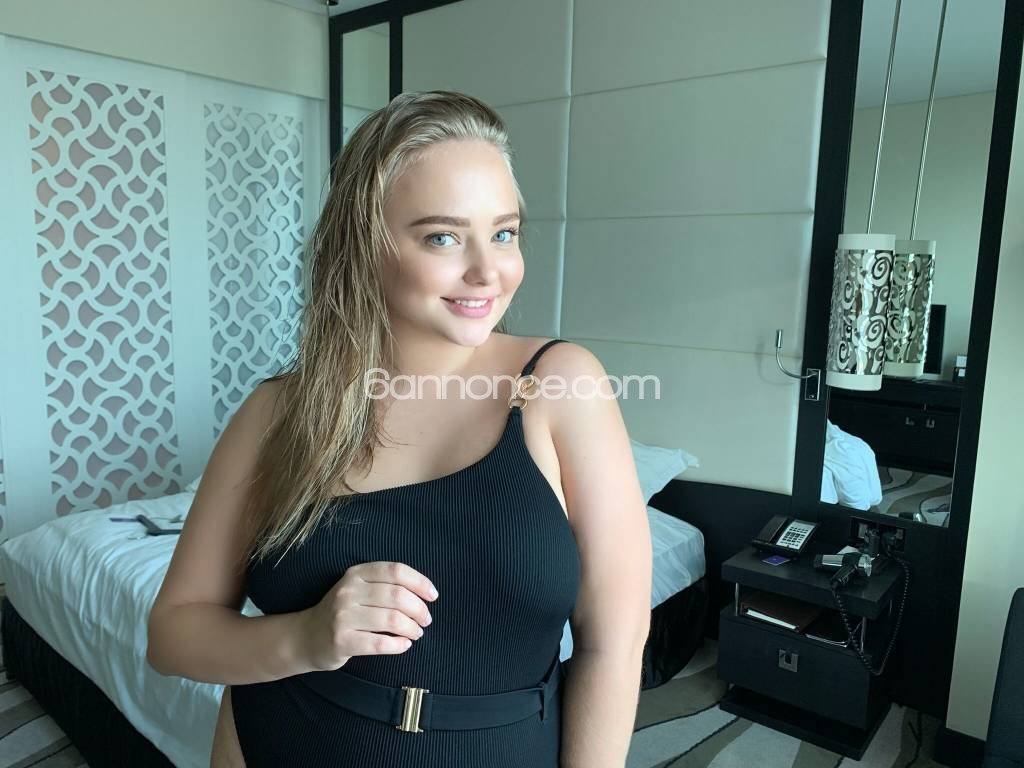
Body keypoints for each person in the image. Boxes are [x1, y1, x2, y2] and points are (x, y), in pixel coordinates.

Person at [146, 90, 652, 768]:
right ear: (366, 247)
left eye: (504, 233)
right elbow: (172, 636)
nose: (488, 271)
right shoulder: (278, 413)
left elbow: (613, 643)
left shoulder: (562, 385)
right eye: (443, 237)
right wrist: (305, 638)